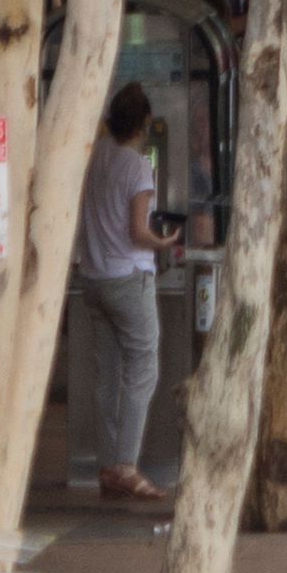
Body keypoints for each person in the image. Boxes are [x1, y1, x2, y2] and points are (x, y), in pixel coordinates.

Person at [71, 82, 188, 505]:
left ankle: (107, 465)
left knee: (107, 374)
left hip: (94, 278)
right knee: (143, 369)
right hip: (129, 279)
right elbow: (138, 231)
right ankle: (126, 465)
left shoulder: (97, 156)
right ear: (143, 123)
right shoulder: (138, 167)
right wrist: (166, 240)